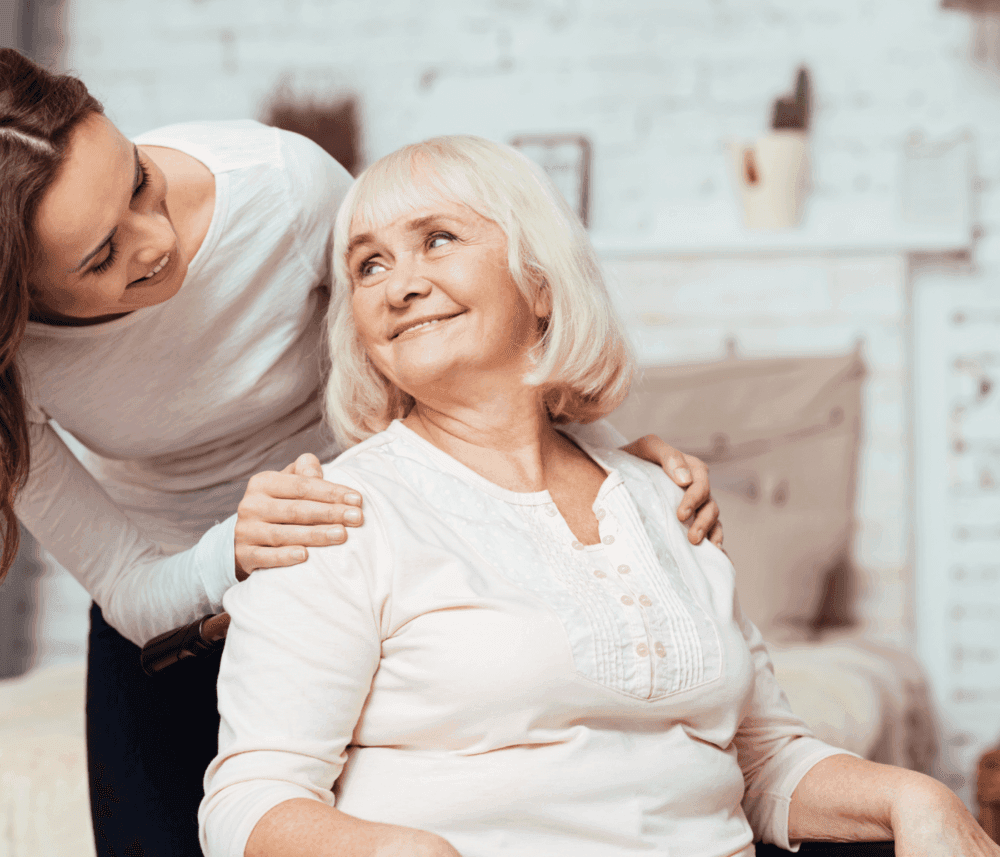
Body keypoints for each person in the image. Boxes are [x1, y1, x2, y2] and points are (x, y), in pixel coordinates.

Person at [0, 50, 720, 856]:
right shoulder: (8, 365)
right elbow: (129, 584)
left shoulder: (280, 187)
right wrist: (232, 550)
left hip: (354, 563)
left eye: (138, 180)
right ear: (19, 298)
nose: (157, 238)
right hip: (172, 616)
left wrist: (607, 465)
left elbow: (434, 344)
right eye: (101, 257)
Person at [200, 135, 1000, 857]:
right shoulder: (335, 511)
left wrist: (914, 794)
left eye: (436, 240)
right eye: (369, 264)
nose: (399, 284)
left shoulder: (662, 498)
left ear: (539, 284)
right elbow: (249, 799)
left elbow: (762, 758)